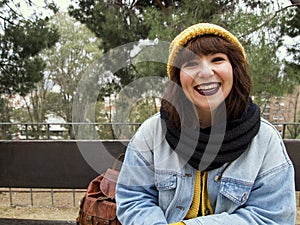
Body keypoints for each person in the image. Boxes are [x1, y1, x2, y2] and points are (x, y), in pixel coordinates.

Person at [115, 23, 296, 225]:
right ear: (178, 78)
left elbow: (273, 216)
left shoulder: (264, 139)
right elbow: (133, 199)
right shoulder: (152, 133)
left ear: (235, 70)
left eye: (217, 59)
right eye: (191, 64)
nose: (205, 72)